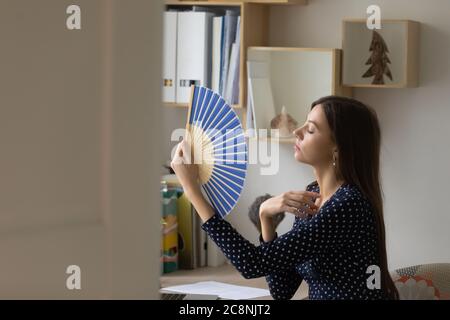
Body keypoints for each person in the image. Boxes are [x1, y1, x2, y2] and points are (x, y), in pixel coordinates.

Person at [171, 96, 399, 300]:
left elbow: (251, 264)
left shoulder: (348, 205)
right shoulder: (314, 197)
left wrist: (192, 191)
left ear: (337, 149)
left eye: (310, 130)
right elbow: (282, 290)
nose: (296, 132)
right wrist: (266, 220)